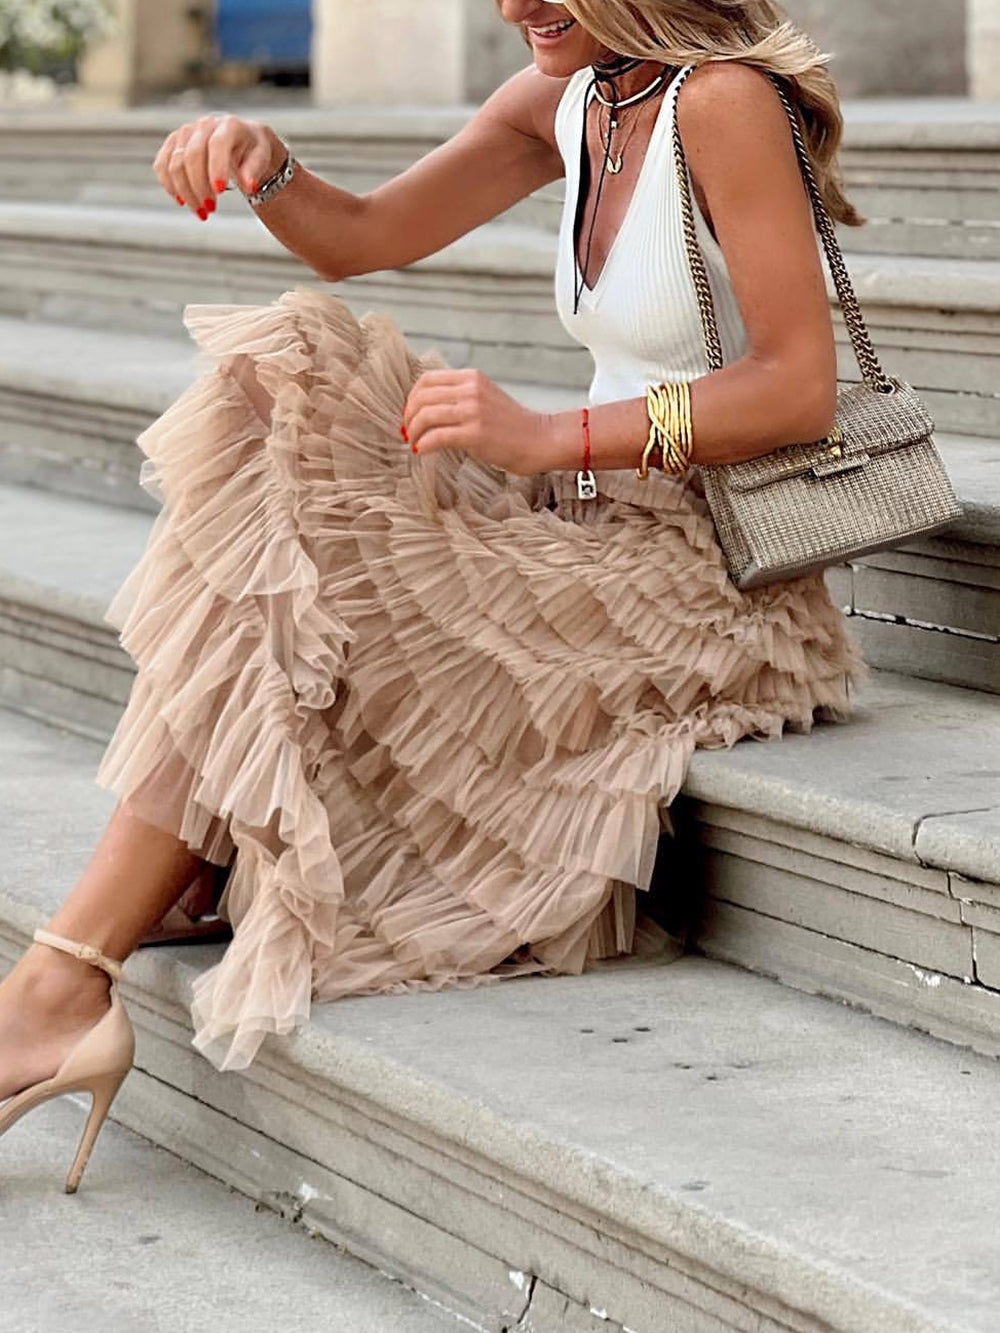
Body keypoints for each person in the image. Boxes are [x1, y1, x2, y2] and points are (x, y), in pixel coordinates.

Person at [0, 0, 869, 1190]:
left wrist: (550, 434)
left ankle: (62, 980)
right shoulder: (568, 97)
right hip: (581, 518)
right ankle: (74, 968)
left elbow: (796, 387)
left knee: (313, 520)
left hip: (705, 573)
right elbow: (360, 237)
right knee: (290, 411)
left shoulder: (723, 103)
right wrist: (268, 165)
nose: (512, 7)